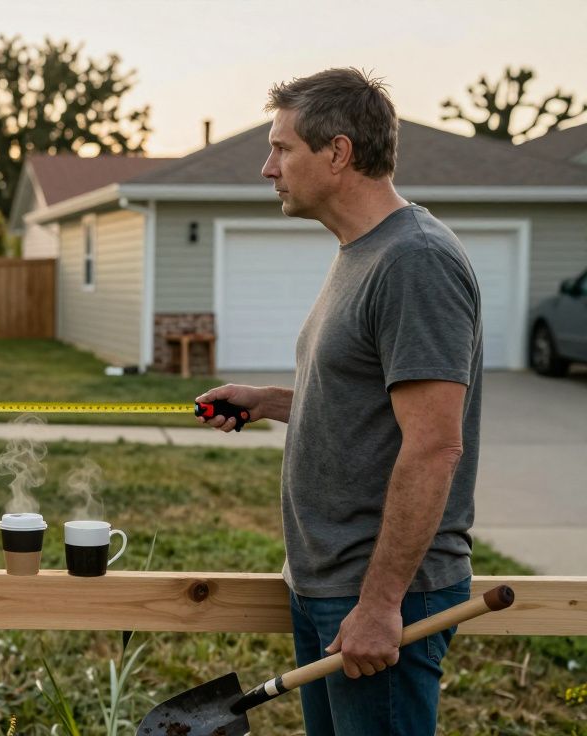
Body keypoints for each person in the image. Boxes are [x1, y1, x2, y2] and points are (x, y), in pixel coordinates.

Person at [196, 68, 482, 735]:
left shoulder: (415, 261)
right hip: (332, 585)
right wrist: (269, 401)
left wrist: (382, 604)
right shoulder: (362, 252)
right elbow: (374, 405)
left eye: (282, 148)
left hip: (380, 593)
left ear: (339, 152)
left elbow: (435, 443)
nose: (268, 168)